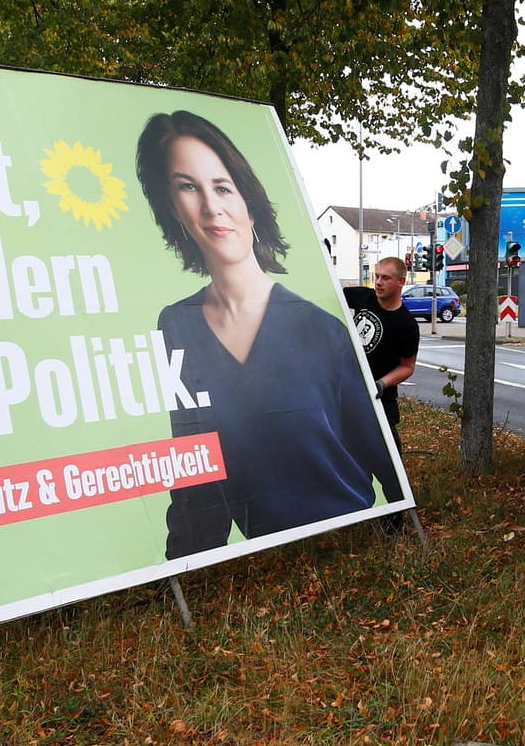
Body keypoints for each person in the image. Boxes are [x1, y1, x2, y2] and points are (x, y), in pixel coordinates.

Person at [137, 111, 402, 559]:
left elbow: (375, 446)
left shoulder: (322, 329)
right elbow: (195, 463)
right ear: (171, 209)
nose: (211, 206)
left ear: (248, 201)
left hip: (346, 548)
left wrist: (401, 535)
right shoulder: (175, 325)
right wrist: (185, 570)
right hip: (261, 564)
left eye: (222, 187)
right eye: (187, 187)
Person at [344, 256, 420, 446]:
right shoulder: (363, 297)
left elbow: (407, 367)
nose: (378, 282)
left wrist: (380, 384)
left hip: (379, 401)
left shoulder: (406, 324)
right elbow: (330, 294)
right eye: (376, 276)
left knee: (388, 461)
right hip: (346, 393)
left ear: (401, 281)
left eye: (385, 278)